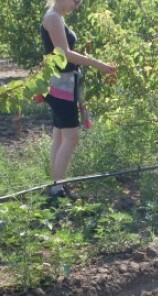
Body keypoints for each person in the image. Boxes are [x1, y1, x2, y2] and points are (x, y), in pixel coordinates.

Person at [42, 0, 116, 199]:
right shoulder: (53, 17)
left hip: (63, 84)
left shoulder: (57, 17)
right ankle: (57, 189)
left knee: (60, 135)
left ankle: (56, 184)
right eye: (76, 1)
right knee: (71, 137)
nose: (77, 5)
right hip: (60, 86)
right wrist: (97, 63)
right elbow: (64, 54)